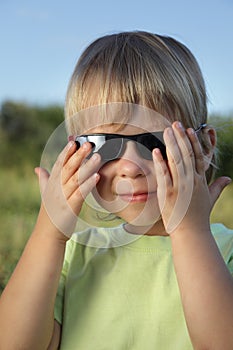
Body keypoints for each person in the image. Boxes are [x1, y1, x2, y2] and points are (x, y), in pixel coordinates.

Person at [0, 31, 233, 350]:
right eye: (105, 146)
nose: (130, 167)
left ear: (204, 147)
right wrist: (48, 234)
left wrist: (190, 232)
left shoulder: (227, 251)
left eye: (155, 142)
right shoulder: (73, 254)